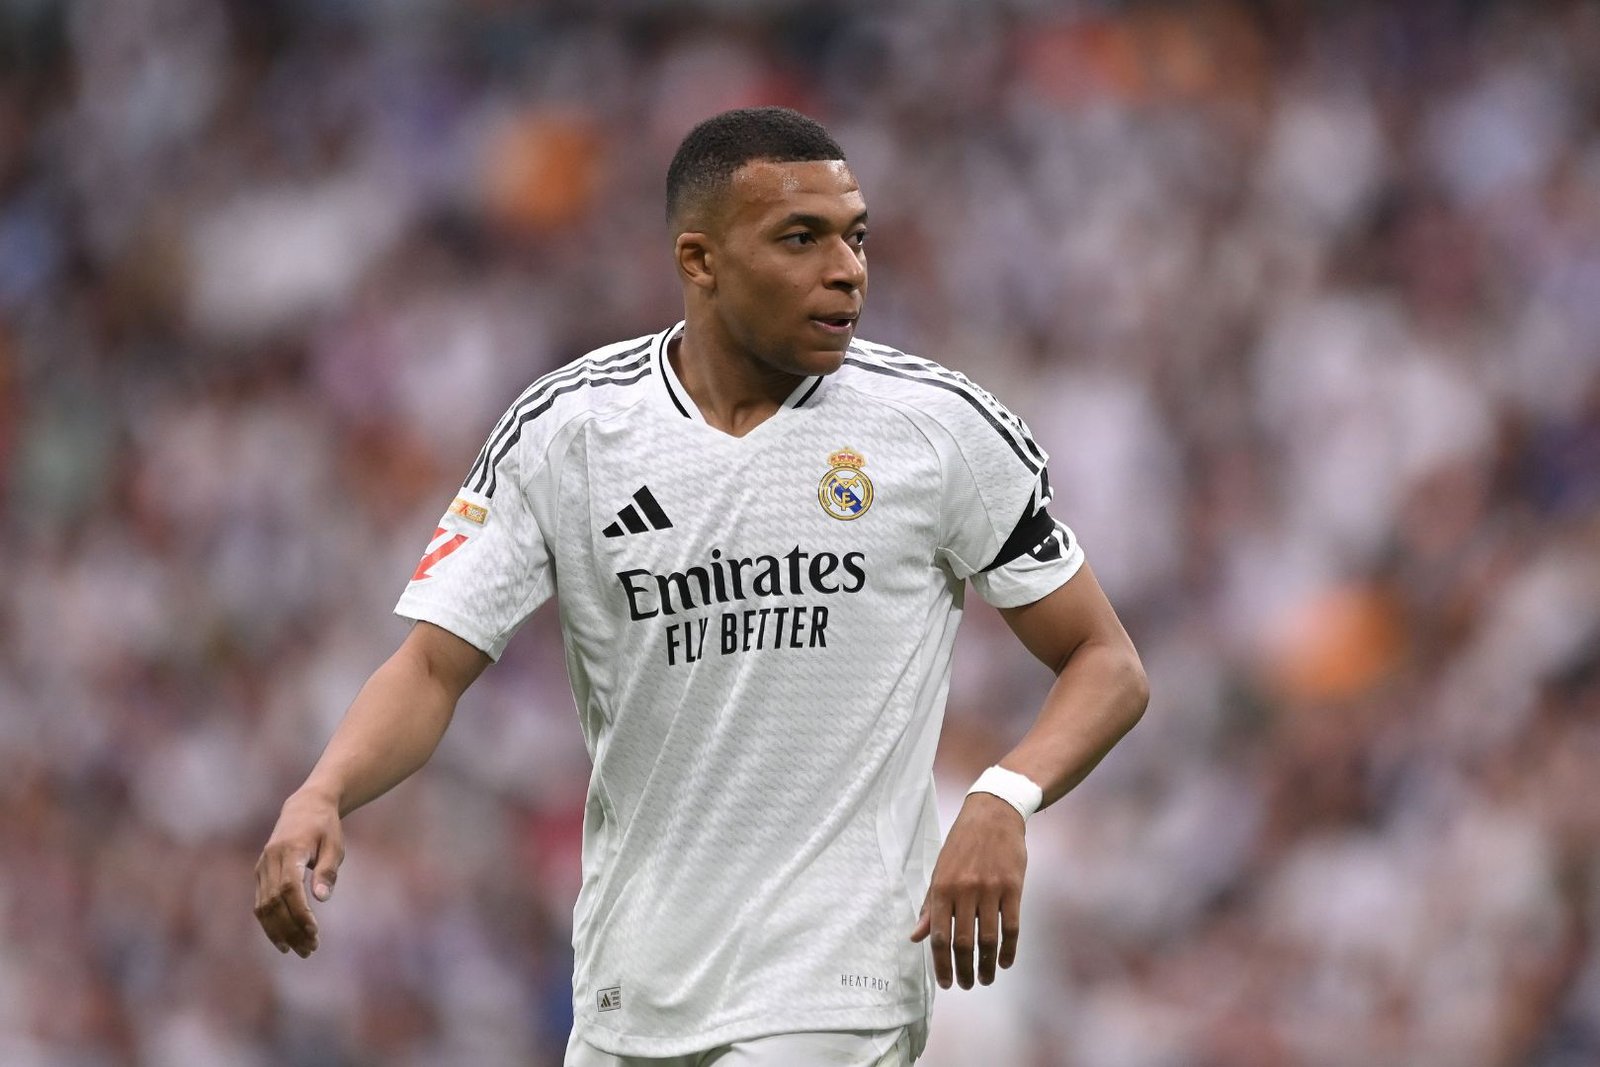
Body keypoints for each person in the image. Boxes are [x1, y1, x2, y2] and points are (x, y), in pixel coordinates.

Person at [253, 106, 1149, 1066]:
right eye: (800, 239)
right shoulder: (570, 431)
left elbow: (1107, 661)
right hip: (628, 992)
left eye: (855, 236)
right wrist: (324, 788)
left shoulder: (937, 429)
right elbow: (432, 664)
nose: (845, 268)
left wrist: (1003, 795)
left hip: (833, 987)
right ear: (700, 260)